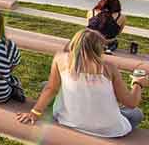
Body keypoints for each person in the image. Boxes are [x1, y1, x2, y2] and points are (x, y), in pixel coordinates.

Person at [17, 29, 145, 137]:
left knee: (47, 85)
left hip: (69, 120)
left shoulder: (60, 59)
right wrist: (138, 84)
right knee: (136, 114)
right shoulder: (108, 68)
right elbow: (131, 103)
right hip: (109, 129)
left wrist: (34, 113)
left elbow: (51, 89)